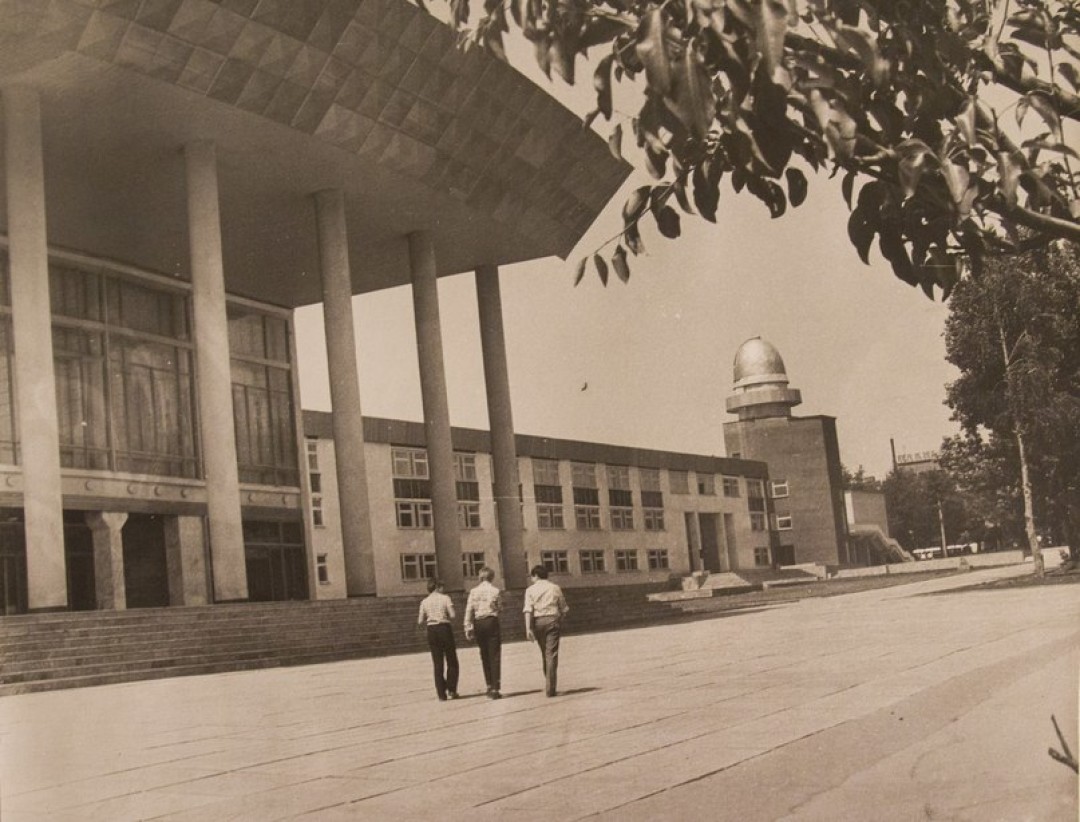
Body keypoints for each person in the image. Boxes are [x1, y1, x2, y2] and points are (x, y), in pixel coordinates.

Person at [523, 564, 569, 697]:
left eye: (532, 576)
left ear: (536, 576)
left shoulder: (530, 590)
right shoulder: (555, 588)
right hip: (552, 621)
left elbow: (527, 610)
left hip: (538, 622)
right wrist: (559, 619)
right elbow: (564, 608)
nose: (531, 579)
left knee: (545, 653)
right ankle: (551, 688)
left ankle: (548, 683)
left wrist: (528, 629)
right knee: (551, 654)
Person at [463, 566, 503, 699]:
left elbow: (469, 610)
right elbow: (500, 607)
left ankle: (489, 685)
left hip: (479, 623)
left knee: (484, 654)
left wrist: (468, 627)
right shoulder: (495, 590)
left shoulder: (473, 591)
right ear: (491, 577)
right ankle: (496, 688)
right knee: (495, 655)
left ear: (480, 577)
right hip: (491, 621)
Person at [417, 578, 459, 701]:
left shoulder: (424, 601)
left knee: (437, 662)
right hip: (444, 628)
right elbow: (453, 615)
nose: (443, 589)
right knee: (452, 660)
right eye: (442, 587)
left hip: (432, 630)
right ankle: (452, 689)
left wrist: (430, 616)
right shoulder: (445, 598)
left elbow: (420, 621)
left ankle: (441, 694)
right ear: (437, 587)